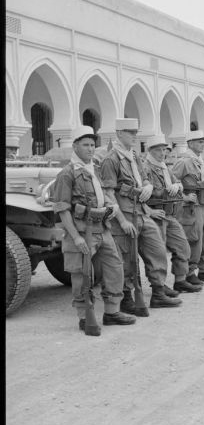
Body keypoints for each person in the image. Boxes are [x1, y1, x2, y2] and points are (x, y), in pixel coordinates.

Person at [52, 125, 136, 336]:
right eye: (85, 145)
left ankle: (112, 312)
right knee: (82, 276)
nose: (90, 149)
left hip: (102, 229)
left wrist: (113, 210)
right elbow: (63, 210)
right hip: (82, 232)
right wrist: (76, 238)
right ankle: (84, 317)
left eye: (92, 145)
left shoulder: (95, 169)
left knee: (115, 267)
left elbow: (106, 194)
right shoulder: (67, 174)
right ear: (75, 146)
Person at [100, 118, 181, 313]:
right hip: (126, 215)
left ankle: (159, 292)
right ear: (119, 133)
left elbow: (144, 177)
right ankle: (127, 298)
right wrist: (120, 220)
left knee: (158, 250)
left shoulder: (134, 156)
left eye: (136, 132)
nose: (134, 136)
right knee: (127, 260)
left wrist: (148, 185)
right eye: (130, 132)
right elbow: (108, 194)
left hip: (143, 212)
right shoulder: (111, 159)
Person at [142, 135, 203, 294]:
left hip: (170, 215)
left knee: (183, 246)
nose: (163, 153)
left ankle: (180, 280)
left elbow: (178, 182)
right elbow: (136, 196)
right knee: (158, 254)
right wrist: (149, 212)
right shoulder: (145, 168)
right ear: (150, 151)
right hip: (156, 216)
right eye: (158, 150)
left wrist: (177, 185)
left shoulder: (164, 168)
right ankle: (159, 287)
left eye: (164, 150)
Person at [171, 130, 204, 283]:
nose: (203, 145)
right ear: (190, 143)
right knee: (194, 239)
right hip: (192, 208)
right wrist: (184, 197)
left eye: (203, 142)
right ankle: (189, 273)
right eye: (199, 142)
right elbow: (172, 183)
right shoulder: (184, 161)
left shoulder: (199, 160)